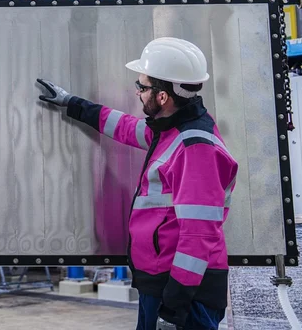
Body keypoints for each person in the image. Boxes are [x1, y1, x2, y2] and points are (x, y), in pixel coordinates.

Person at [37, 37, 238, 330]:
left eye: (142, 87)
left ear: (163, 97)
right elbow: (127, 128)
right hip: (164, 284)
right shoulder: (171, 131)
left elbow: (198, 236)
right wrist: (73, 104)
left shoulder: (195, 149)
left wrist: (174, 308)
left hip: (183, 295)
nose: (137, 92)